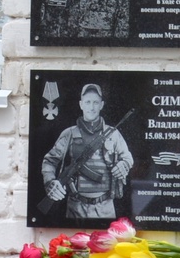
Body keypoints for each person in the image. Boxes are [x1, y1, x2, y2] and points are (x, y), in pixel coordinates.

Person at [40, 83, 133, 220]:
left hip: (105, 206)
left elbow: (128, 159)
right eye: (88, 102)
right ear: (81, 104)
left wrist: (123, 165)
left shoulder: (113, 134)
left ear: (101, 105)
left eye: (95, 102)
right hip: (76, 206)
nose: (92, 107)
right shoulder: (69, 134)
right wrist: (50, 182)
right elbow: (49, 161)